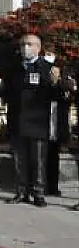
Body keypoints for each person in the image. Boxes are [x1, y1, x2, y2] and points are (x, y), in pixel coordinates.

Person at [0, 33, 63, 207]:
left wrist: (55, 83)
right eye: (23, 44)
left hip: (38, 121)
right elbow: (6, 94)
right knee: (19, 160)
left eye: (30, 44)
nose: (26, 48)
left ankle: (38, 193)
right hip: (17, 119)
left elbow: (56, 96)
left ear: (38, 48)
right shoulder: (13, 68)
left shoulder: (47, 68)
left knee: (38, 160)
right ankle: (21, 192)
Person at [42, 44, 70, 197]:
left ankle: (53, 186)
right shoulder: (40, 68)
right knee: (42, 155)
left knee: (54, 155)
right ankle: (42, 185)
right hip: (43, 117)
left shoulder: (65, 71)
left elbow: (67, 95)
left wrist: (57, 82)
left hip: (57, 118)